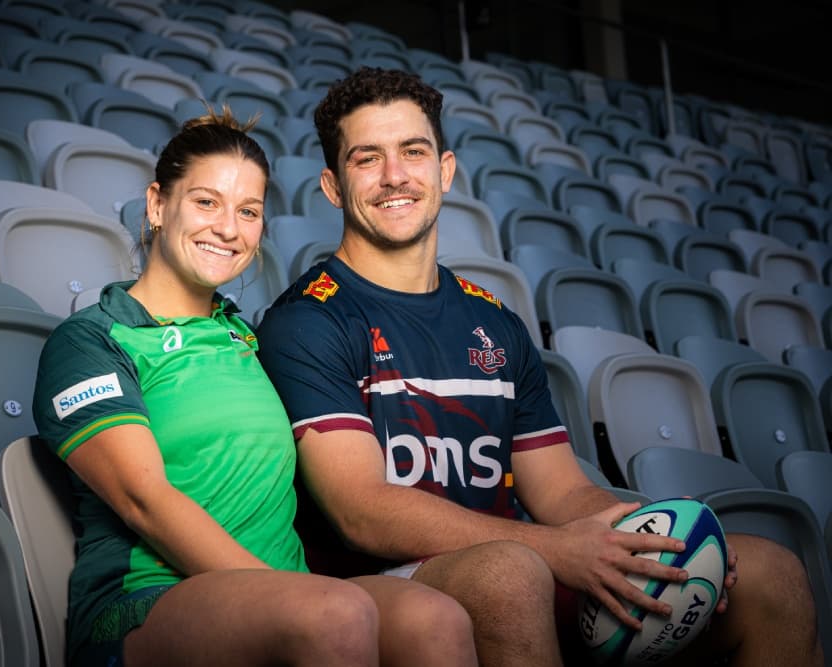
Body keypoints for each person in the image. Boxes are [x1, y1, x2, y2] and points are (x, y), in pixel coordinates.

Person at [256, 67, 824, 666]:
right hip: (389, 587)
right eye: (367, 158)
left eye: (413, 152)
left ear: (444, 171)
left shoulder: (495, 322)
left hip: (518, 563)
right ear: (333, 186)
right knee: (510, 572)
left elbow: (561, 491)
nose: (394, 176)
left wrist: (656, 534)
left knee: (769, 570)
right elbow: (361, 511)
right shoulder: (308, 320)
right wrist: (554, 549)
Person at [32, 106, 478, 667]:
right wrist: (291, 593)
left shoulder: (247, 337)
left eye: (248, 211)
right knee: (335, 615)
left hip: (289, 589)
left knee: (436, 617)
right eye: (206, 202)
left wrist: (295, 590)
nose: (227, 228)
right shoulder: (94, 339)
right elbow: (145, 500)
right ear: (156, 205)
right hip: (146, 601)